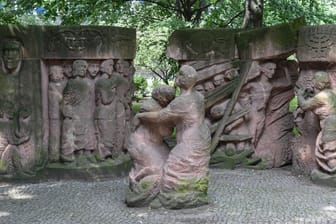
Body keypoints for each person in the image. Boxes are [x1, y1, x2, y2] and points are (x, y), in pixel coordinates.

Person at [135, 65, 211, 208]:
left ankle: (170, 199)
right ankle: (193, 193)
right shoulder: (198, 96)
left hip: (191, 140)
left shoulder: (182, 101)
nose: (177, 77)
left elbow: (160, 117)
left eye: (179, 75)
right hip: (201, 135)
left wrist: (141, 115)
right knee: (193, 168)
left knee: (174, 166)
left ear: (182, 79)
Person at [126, 85, 175, 207]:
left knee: (172, 164)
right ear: (159, 96)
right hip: (142, 144)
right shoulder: (149, 107)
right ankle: (143, 192)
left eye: (171, 98)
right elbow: (165, 130)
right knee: (158, 170)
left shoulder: (162, 108)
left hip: (157, 144)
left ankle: (163, 192)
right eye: (168, 97)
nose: (170, 100)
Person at [297, 71, 336, 173]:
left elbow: (304, 106)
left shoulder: (321, 96)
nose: (312, 81)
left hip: (329, 124)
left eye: (314, 79)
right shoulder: (331, 93)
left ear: (319, 83)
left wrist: (300, 95)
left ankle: (333, 170)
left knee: (329, 148)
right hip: (331, 122)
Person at [61, 60, 96, 162]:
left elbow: (89, 98)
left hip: (86, 111)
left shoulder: (87, 83)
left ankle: (87, 151)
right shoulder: (71, 83)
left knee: (88, 131)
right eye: (81, 67)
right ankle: (79, 153)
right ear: (75, 69)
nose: (83, 70)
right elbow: (66, 99)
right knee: (77, 132)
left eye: (85, 68)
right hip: (76, 112)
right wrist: (67, 110)